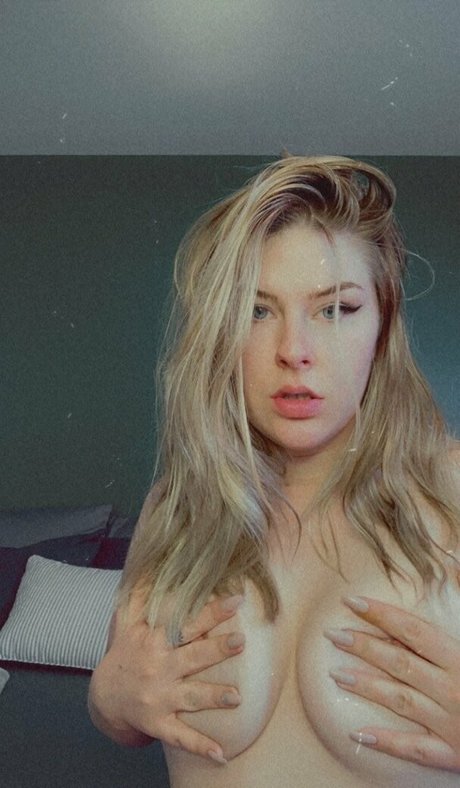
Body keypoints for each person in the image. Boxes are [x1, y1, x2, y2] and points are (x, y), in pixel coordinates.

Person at [88, 155, 460, 787]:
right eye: (257, 311)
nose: (295, 351)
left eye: (335, 309)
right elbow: (125, 705)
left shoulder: (450, 489)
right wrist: (107, 700)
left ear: (382, 326)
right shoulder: (177, 506)